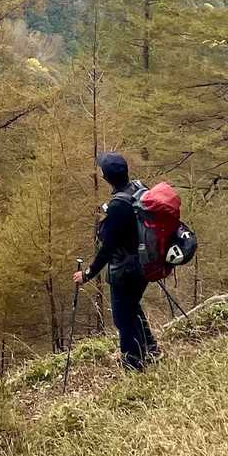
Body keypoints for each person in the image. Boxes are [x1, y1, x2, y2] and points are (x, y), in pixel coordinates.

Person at [72, 152, 159, 370]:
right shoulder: (138, 188)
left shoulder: (118, 206)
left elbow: (107, 249)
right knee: (132, 307)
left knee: (122, 318)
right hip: (144, 262)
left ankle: (133, 363)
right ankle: (151, 350)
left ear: (106, 177)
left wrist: (87, 274)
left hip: (126, 270)